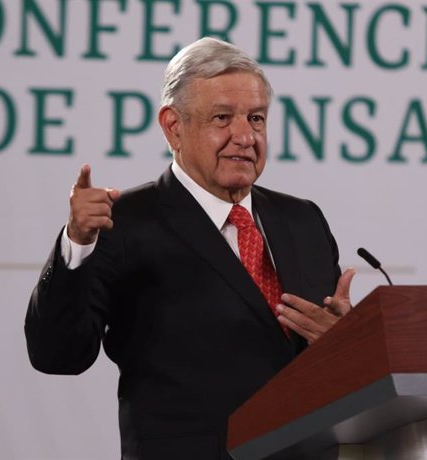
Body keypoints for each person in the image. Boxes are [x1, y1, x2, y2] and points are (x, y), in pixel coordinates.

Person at [25, 37, 355, 460]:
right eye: (222, 118)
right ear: (173, 126)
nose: (245, 136)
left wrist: (345, 343)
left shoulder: (303, 220)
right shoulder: (122, 222)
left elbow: (331, 369)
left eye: (256, 118)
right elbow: (58, 354)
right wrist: (77, 245)